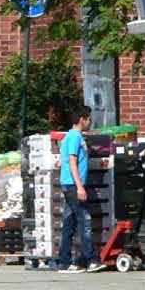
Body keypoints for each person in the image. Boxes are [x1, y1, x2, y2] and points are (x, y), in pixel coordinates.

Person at [57, 106, 106, 274]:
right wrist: (79, 186)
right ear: (82, 119)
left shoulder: (71, 137)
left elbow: (64, 160)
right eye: (89, 119)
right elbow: (72, 162)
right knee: (84, 221)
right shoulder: (75, 137)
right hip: (73, 185)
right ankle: (92, 259)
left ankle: (64, 261)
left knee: (69, 223)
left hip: (70, 184)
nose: (90, 122)